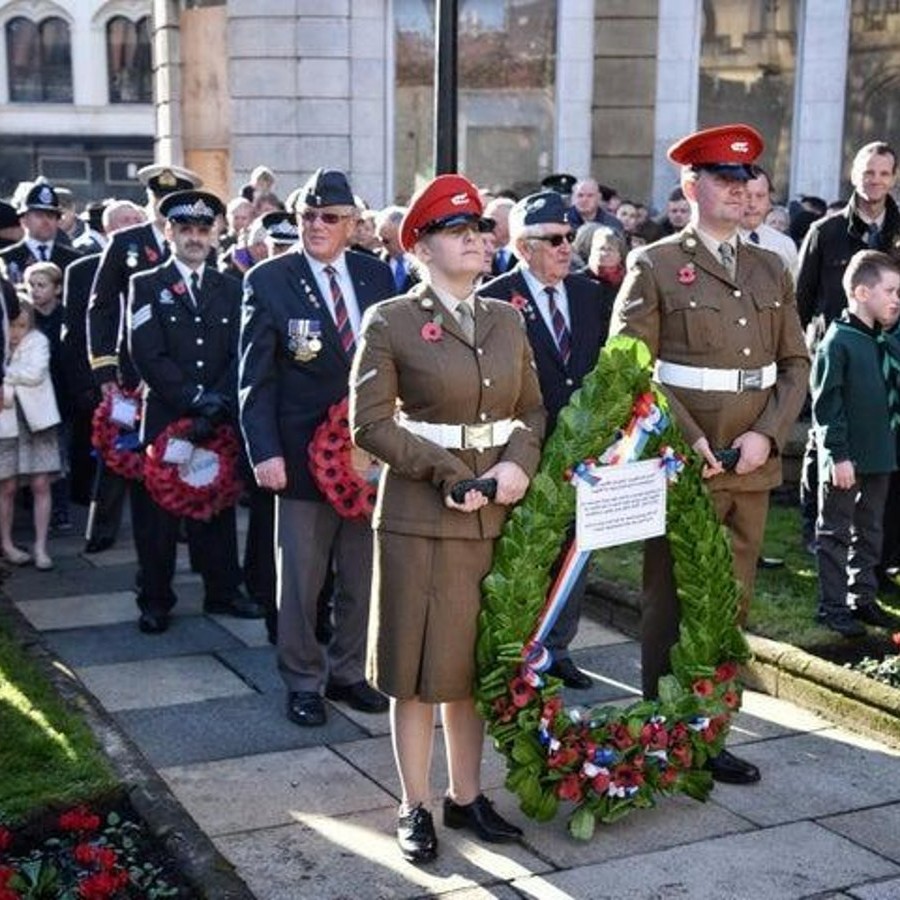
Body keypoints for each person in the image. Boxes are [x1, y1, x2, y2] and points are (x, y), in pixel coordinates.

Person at [350, 173, 545, 863]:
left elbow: (532, 409)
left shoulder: (507, 318)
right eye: (457, 231)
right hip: (421, 518)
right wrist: (447, 473)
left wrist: (519, 463)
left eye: (480, 229)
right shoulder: (391, 321)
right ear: (421, 248)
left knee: (472, 666)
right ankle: (415, 803)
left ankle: (466, 796)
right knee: (416, 669)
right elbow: (370, 424)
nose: (476, 240)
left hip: (493, 513)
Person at [610, 122, 810, 785]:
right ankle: (664, 728)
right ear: (691, 186)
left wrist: (767, 435)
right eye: (725, 179)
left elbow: (795, 363)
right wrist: (689, 437)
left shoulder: (770, 266)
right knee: (671, 599)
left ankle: (710, 729)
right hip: (684, 461)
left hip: (751, 460)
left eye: (746, 179)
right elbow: (630, 365)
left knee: (732, 601)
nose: (741, 190)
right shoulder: (655, 264)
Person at [239, 167, 395, 727]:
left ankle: (349, 672)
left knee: (362, 574)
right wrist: (265, 452)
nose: (316, 225)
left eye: (330, 217)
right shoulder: (269, 279)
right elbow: (255, 378)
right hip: (301, 457)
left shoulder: (376, 275)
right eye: (308, 215)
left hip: (367, 457)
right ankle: (303, 679)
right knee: (302, 581)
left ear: (353, 224)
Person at [476, 190, 609, 689]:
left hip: (581, 450)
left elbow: (600, 366)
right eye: (554, 239)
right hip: (521, 450)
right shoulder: (495, 297)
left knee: (575, 549)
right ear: (523, 246)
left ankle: (558, 648)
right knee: (522, 550)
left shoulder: (589, 293)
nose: (565, 247)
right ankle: (515, 648)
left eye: (569, 237)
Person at [127, 189, 263, 634]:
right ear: (169, 232)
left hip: (216, 420)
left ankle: (222, 591)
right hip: (167, 419)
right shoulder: (147, 284)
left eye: (203, 229)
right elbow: (146, 352)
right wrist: (193, 399)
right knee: (158, 519)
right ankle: (155, 600)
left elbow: (241, 351)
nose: (195, 237)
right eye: (185, 229)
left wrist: (217, 401)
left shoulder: (232, 287)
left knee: (215, 506)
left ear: (215, 233)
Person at [796, 141, 900, 574]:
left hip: (888, 362)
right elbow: (801, 300)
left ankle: (883, 553)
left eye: (883, 173)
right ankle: (816, 533)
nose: (874, 180)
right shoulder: (825, 232)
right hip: (837, 354)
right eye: (867, 172)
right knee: (825, 446)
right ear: (854, 174)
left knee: (886, 452)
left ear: (893, 178)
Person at [811, 250, 900, 636]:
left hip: (880, 453)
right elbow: (827, 405)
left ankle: (861, 597)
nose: (896, 299)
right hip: (846, 459)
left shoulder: (884, 340)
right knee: (835, 531)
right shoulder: (838, 342)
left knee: (870, 529)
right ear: (862, 293)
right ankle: (832, 607)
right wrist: (838, 455)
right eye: (890, 291)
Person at [62, 201, 147, 550]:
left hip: (152, 375)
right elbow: (79, 331)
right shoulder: (83, 269)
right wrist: (97, 379)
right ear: (109, 229)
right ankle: (101, 531)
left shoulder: (157, 261)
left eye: (137, 220)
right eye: (125, 221)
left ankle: (177, 526)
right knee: (115, 456)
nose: (133, 226)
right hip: (116, 378)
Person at [0, 300, 62, 571]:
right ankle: (6, 544)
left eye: (22, 326)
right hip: (7, 425)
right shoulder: (2, 344)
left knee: (41, 484)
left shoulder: (38, 342)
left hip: (38, 422)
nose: (16, 332)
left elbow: (35, 373)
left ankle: (40, 546)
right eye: (12, 325)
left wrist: (5, 378)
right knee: (7, 487)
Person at [23, 261, 71, 534]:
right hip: (34, 396)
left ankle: (61, 509)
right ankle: (35, 509)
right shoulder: (26, 318)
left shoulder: (67, 316)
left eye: (41, 285)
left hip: (61, 396)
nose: (35, 291)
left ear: (57, 288)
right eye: (31, 285)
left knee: (60, 456)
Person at [0, 182, 81, 285]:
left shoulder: (74, 260)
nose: (46, 221)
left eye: (51, 216)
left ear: (57, 222)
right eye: (39, 215)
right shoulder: (5, 259)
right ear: (23, 221)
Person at [739, 167, 799, 280]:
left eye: (760, 196)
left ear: (769, 200)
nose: (752, 204)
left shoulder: (784, 245)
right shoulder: (715, 241)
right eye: (746, 196)